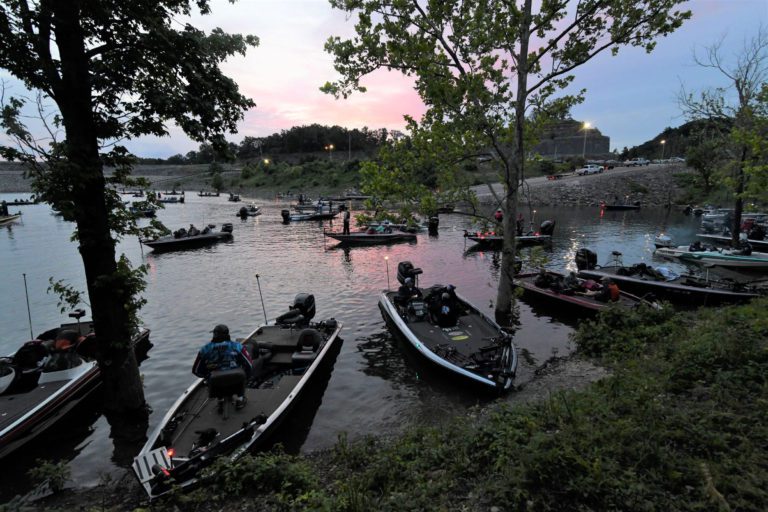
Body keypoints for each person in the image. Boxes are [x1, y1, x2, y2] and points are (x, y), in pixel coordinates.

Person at [192, 324, 253, 409]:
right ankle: (240, 399)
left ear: (214, 335)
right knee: (242, 372)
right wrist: (248, 376)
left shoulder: (205, 349)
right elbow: (249, 364)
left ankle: (220, 400)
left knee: (212, 376)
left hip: (215, 383)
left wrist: (207, 376)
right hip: (236, 380)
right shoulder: (238, 346)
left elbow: (196, 370)